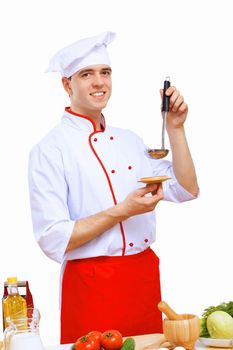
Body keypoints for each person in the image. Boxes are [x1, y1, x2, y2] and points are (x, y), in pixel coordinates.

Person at [28, 31, 198, 344]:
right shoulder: (50, 149)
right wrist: (123, 211)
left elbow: (186, 188)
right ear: (67, 85)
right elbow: (54, 237)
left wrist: (176, 129)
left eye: (105, 73)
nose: (99, 83)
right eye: (86, 75)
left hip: (143, 280)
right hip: (91, 286)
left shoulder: (129, 140)